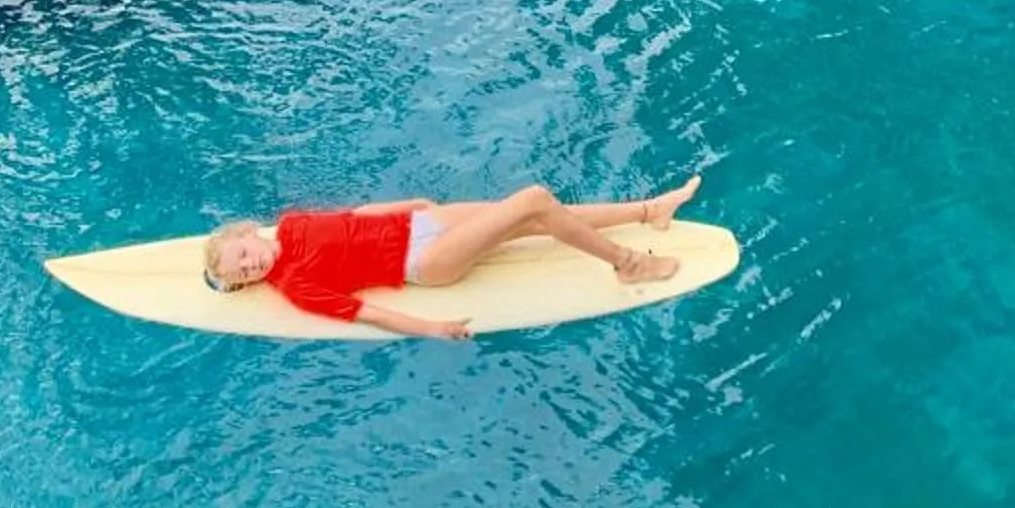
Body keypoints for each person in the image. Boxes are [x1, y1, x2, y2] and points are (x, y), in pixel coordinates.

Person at [201, 176, 702, 339]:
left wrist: (410, 205)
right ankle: (627, 261)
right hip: (426, 263)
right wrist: (433, 329)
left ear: (249, 233)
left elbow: (356, 215)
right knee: (533, 201)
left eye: (243, 254)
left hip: (419, 225)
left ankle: (648, 210)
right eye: (243, 274)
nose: (250, 266)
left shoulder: (292, 223)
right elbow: (366, 312)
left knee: (537, 216)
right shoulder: (294, 286)